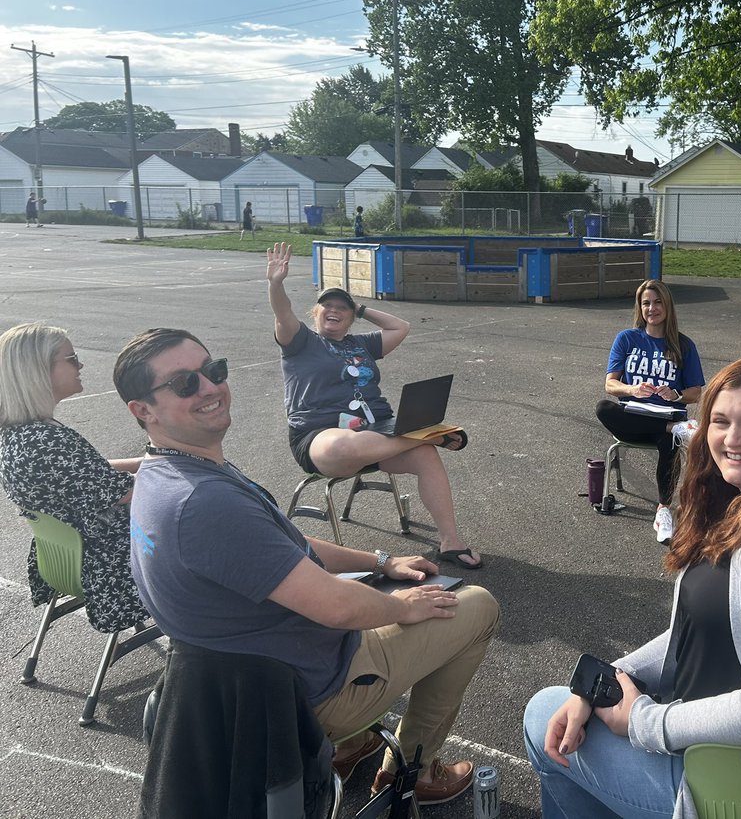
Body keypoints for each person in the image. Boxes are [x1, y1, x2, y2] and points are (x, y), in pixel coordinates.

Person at [114, 327, 500, 804]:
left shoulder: (164, 473)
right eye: (184, 383)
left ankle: (354, 746)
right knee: (475, 606)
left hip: (247, 681)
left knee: (398, 594)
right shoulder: (205, 501)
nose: (210, 387)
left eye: (213, 370)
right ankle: (412, 773)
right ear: (143, 410)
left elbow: (283, 543)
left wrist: (382, 560)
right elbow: (338, 608)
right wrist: (404, 606)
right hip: (304, 694)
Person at [525, 355, 741, 819]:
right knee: (569, 713)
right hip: (716, 750)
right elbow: (694, 633)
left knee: (540, 715)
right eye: (720, 421)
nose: (732, 438)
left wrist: (645, 722)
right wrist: (603, 681)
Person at [266, 242, 481, 569]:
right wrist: (275, 284)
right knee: (343, 446)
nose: (334, 310)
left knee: (426, 454)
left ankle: (451, 541)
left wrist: (361, 307)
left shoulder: (361, 343)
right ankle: (427, 435)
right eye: (327, 305)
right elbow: (282, 312)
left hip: (378, 429)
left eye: (342, 307)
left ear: (351, 317)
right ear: (315, 312)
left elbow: (401, 327)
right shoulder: (300, 341)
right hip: (320, 434)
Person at [0, 322, 148, 635]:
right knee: (204, 522)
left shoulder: (17, 434)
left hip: (66, 560)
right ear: (39, 369)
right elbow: (123, 492)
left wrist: (142, 462)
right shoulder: (48, 440)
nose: (80, 365)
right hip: (109, 564)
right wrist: (178, 466)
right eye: (71, 359)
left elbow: (85, 472)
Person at [596, 279, 704, 543]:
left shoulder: (684, 345)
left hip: (667, 415)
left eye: (657, 302)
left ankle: (663, 510)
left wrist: (676, 394)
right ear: (640, 307)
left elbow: (695, 392)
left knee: (669, 441)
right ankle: (674, 429)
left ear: (667, 306)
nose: (652, 308)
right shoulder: (627, 339)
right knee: (603, 408)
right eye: (646, 303)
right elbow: (610, 385)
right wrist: (632, 389)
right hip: (633, 418)